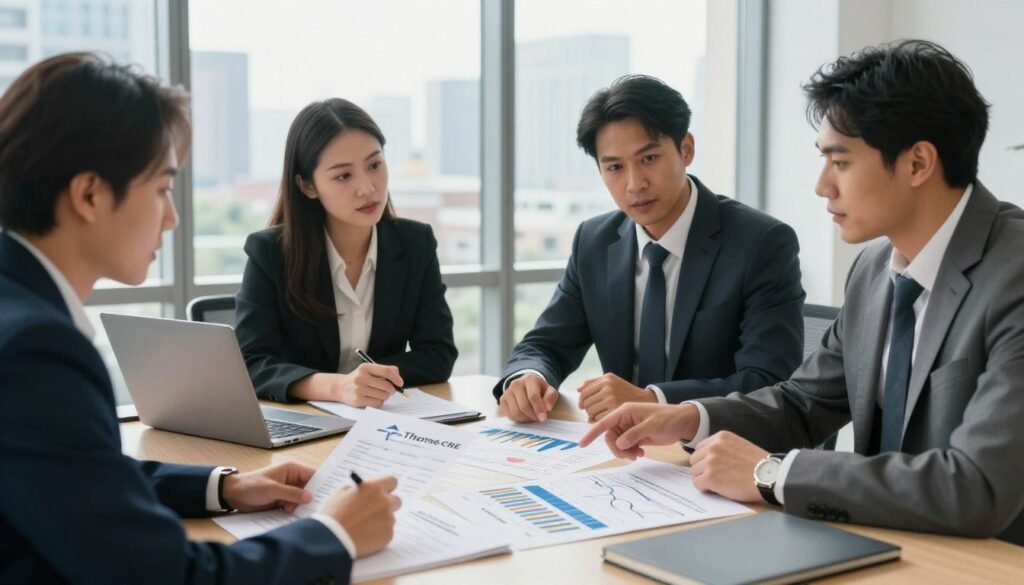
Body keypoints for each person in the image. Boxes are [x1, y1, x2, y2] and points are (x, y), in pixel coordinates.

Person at [581, 40, 1024, 544]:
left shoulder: (1014, 274)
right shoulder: (876, 269)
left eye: (841, 162)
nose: (821, 186)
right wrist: (686, 418)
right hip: (882, 543)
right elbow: (802, 404)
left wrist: (774, 473)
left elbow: (978, 486)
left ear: (918, 163)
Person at [0, 53, 401, 583]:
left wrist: (223, 486)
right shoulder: (37, 349)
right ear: (90, 194)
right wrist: (336, 534)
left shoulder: (17, 309)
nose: (173, 216)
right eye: (163, 187)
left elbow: (71, 476)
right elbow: (172, 577)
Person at [496, 74, 805, 423]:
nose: (634, 184)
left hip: (716, 450)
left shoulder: (761, 243)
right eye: (614, 167)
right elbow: (547, 343)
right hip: (625, 453)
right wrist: (529, 376)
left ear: (685, 149)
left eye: (649, 159)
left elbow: (769, 382)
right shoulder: (594, 241)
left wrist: (654, 399)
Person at [235, 98, 457, 406]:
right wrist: (336, 387)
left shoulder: (415, 243)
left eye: (374, 165)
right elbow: (250, 363)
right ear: (308, 186)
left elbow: (438, 354)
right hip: (304, 422)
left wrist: (372, 380)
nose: (367, 188)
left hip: (381, 421)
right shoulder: (271, 253)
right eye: (343, 176)